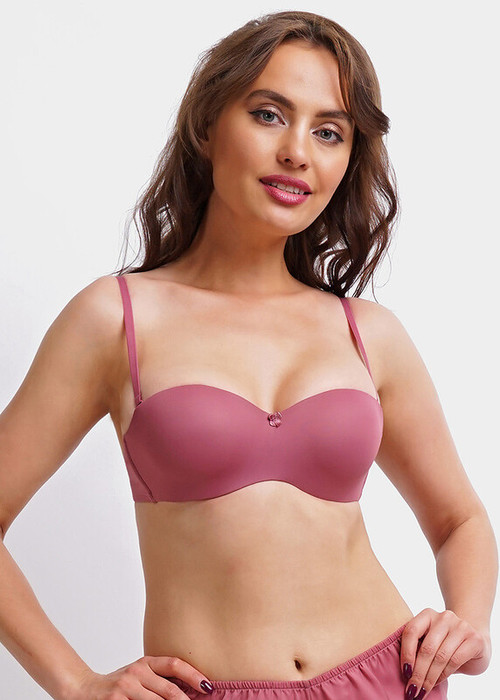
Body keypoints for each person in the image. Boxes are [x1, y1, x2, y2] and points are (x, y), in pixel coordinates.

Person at [0, 9, 496, 700]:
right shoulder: (116, 319)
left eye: (329, 132)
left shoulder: (368, 332)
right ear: (208, 125)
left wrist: (467, 621)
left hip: (389, 680)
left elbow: (460, 521)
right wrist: (76, 684)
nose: (297, 152)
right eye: (269, 115)